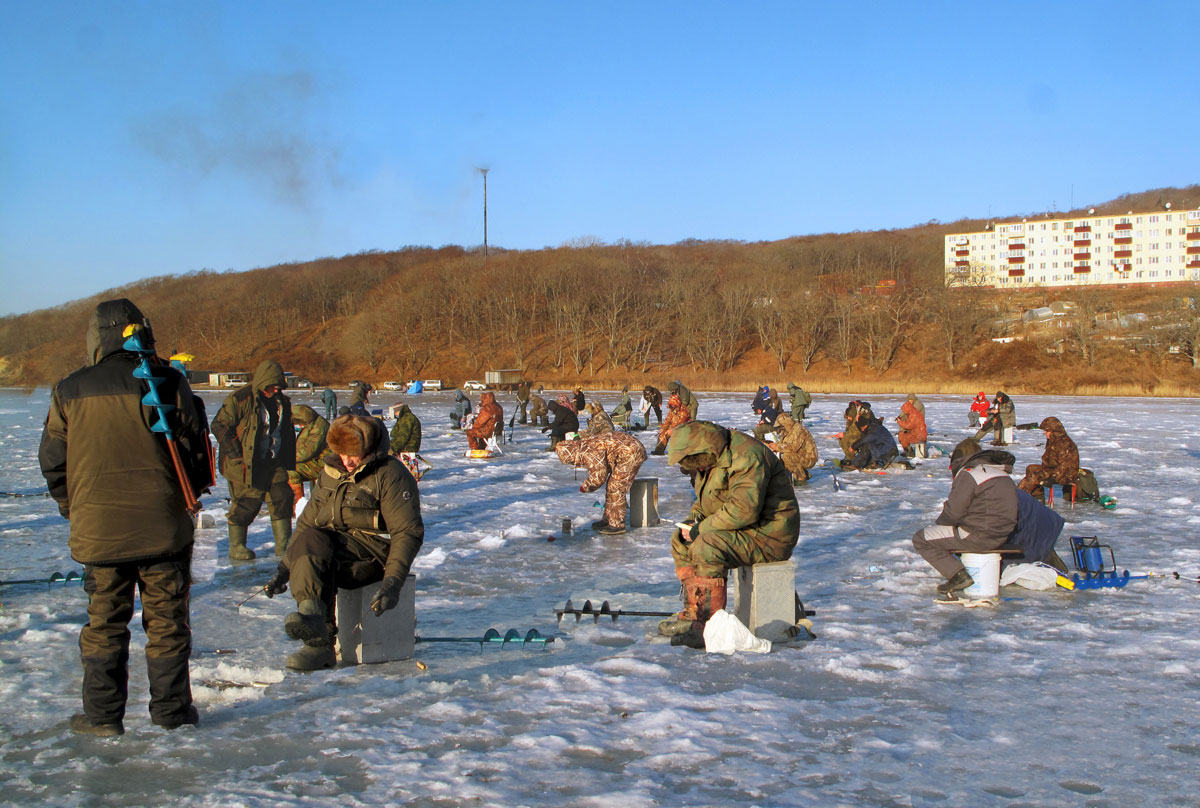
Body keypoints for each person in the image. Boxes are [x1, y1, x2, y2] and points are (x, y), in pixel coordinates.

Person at [39, 298, 210, 735]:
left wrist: (74, 509)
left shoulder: (69, 389)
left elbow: (53, 461)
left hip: (100, 533)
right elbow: (195, 452)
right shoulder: (168, 382)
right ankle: (172, 714)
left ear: (97, 337)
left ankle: (102, 717)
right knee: (168, 624)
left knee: (104, 625)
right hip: (164, 530)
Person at [265, 415, 424, 671]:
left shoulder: (391, 474)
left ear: (369, 449)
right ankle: (318, 641)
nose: (347, 461)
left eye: (354, 455)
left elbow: (407, 532)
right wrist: (284, 570)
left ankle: (318, 633)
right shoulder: (330, 472)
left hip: (373, 557)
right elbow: (307, 523)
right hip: (337, 548)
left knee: (322, 555)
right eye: (341, 454)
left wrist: (393, 582)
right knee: (310, 541)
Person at [658, 421, 800, 638]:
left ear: (702, 450)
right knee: (681, 541)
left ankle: (708, 626)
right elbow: (705, 503)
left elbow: (744, 510)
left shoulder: (747, 456)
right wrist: (692, 523)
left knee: (707, 546)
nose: (690, 468)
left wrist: (701, 529)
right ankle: (694, 613)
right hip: (743, 531)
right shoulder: (712, 459)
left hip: (769, 536)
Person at [910, 438, 1018, 596]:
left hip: (979, 535)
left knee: (921, 539)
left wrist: (941, 525)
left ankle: (958, 575)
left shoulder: (970, 473)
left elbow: (954, 512)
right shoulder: (1001, 472)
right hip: (1003, 534)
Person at [212, 360, 296, 560]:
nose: (275, 390)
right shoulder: (240, 399)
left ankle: (284, 546)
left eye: (278, 386)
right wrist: (235, 454)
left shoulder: (282, 401)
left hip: (273, 460)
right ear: (262, 382)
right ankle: (237, 547)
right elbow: (219, 425)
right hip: (245, 463)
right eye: (271, 386)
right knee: (247, 503)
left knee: (282, 497)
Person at [554, 431, 647, 535]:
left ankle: (617, 524)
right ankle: (608, 519)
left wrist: (586, 487)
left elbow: (599, 476)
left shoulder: (588, 452)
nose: (574, 464)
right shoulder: (583, 445)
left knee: (615, 487)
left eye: (571, 462)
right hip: (625, 451)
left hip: (631, 453)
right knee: (611, 485)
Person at [1018, 416, 1080, 503]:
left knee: (1035, 475)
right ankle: (1031, 498)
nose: (1045, 433)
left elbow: (1065, 466)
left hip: (1066, 474)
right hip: (1053, 470)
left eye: (1047, 431)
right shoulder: (1054, 441)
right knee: (1031, 469)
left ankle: (1020, 498)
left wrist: (1052, 477)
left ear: (1054, 431)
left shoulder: (1064, 443)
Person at [1008, 489, 1068, 572]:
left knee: (1038, 555)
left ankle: (1058, 572)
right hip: (1040, 521)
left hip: (1038, 526)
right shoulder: (999, 488)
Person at [288, 404, 330, 505]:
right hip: (316, 461)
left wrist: (288, 458)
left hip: (322, 463)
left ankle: (299, 506)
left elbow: (308, 452)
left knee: (291, 471)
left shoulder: (319, 427)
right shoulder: (313, 424)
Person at [769, 413, 818, 484]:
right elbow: (784, 445)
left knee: (787, 456)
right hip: (800, 455)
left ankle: (800, 479)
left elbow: (792, 448)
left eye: (781, 426)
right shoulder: (787, 431)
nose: (780, 428)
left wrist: (776, 447)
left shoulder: (798, 430)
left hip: (808, 458)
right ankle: (803, 474)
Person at [652, 391, 692, 455]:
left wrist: (671, 430)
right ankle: (659, 451)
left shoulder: (684, 411)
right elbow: (668, 420)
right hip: (674, 427)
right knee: (662, 434)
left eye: (673, 404)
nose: (672, 406)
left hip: (683, 429)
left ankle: (679, 452)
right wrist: (664, 428)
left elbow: (680, 424)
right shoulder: (672, 410)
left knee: (669, 434)